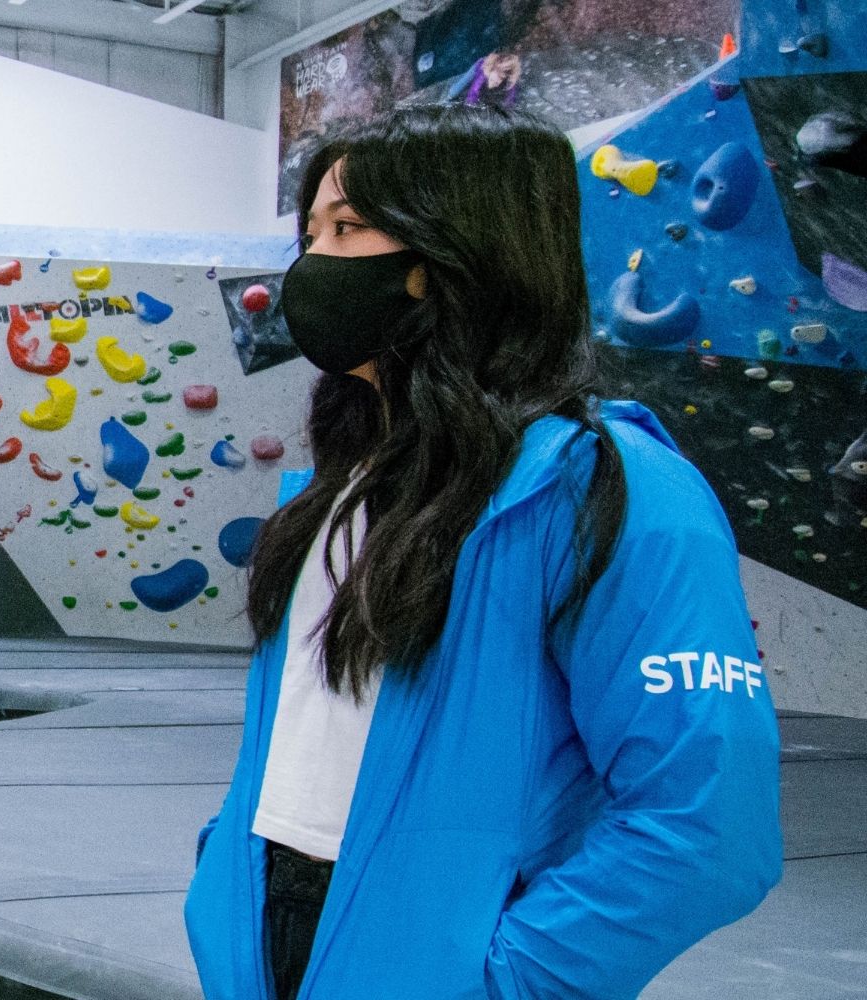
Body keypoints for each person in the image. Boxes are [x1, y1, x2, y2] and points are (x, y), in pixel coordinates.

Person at [183, 104, 781, 1000]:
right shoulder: (334, 490)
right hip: (270, 937)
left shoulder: (611, 493)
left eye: (346, 230)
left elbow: (709, 821)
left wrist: (502, 981)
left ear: (448, 258)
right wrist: (222, 881)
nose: (310, 266)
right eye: (310, 232)